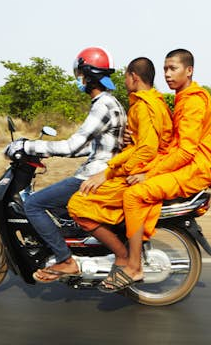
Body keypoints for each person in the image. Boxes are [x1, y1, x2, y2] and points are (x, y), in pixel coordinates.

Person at [99, 48, 211, 292]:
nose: (167, 74)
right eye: (165, 68)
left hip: (195, 168)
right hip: (182, 163)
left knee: (134, 194)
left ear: (189, 70)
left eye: (173, 68)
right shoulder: (181, 98)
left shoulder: (194, 100)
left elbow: (186, 151)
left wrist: (148, 173)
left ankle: (133, 266)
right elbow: (171, 141)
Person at [5, 46, 126, 283]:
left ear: (88, 75)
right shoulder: (111, 103)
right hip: (104, 171)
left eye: (80, 74)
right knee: (60, 210)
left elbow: (72, 145)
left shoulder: (102, 105)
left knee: (35, 205)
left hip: (96, 175)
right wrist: (49, 151)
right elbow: (87, 147)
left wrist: (29, 146)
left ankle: (65, 260)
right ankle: (77, 249)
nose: (79, 79)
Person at [66, 57, 172, 283]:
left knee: (78, 204)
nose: (123, 82)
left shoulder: (144, 105)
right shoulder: (154, 101)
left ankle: (121, 256)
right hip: (141, 165)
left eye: (125, 76)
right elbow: (142, 141)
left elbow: (146, 149)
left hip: (141, 170)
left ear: (134, 76)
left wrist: (108, 172)